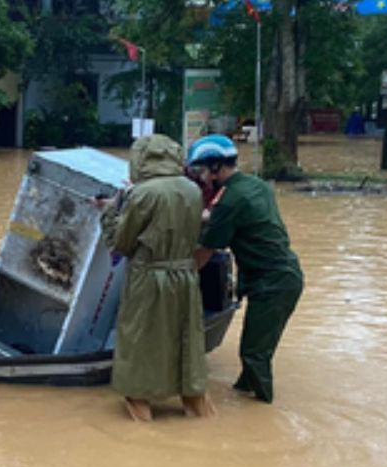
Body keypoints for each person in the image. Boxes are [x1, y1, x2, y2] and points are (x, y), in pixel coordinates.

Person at [97, 134, 214, 421]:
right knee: (184, 337)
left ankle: (141, 407)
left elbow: (122, 243)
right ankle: (194, 400)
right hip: (185, 275)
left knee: (140, 341)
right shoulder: (192, 190)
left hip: (148, 277)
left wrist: (110, 211)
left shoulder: (142, 194)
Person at [190, 134, 304, 404]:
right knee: (256, 347)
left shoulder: (230, 201)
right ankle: (244, 392)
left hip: (272, 283)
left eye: (203, 169)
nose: (202, 177)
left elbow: (206, 251)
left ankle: (263, 413)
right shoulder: (255, 185)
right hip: (284, 275)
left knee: (254, 354)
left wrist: (179, 277)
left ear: (217, 166)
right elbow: (231, 218)